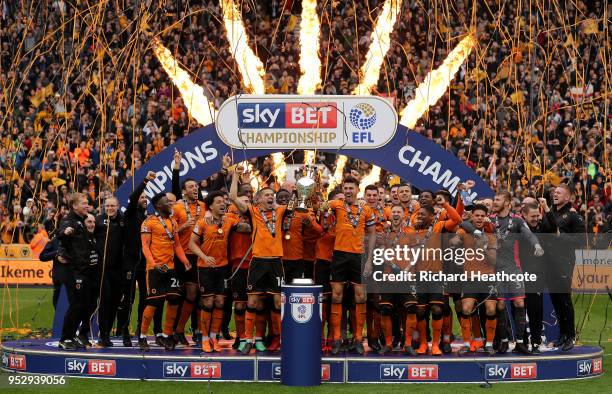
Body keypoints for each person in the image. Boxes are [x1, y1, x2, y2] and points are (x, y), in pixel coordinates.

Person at [229, 163, 286, 354]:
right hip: (258, 261)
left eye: (272, 195)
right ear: (258, 199)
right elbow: (232, 197)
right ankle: (246, 339)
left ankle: (274, 338)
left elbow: (299, 204)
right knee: (252, 302)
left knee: (278, 303)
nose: (271, 197)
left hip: (276, 261)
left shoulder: (280, 211)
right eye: (267, 195)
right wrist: (236, 177)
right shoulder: (252, 212)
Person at [321, 176, 376, 355]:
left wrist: (369, 260)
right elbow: (321, 207)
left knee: (360, 297)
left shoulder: (366, 209)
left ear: (357, 190)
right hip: (339, 255)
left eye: (351, 188)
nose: (348, 191)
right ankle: (336, 338)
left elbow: (372, 235)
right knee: (336, 296)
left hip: (358, 256)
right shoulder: (336, 204)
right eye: (346, 188)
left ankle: (359, 339)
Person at [188, 190, 246, 352]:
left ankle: (214, 337)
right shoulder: (202, 222)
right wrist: (204, 257)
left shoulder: (229, 220)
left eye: (224, 201)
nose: (223, 204)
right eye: (219, 201)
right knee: (207, 302)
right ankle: (205, 339)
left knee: (220, 302)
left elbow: (245, 222)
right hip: (205, 267)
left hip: (223, 267)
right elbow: (192, 244)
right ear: (211, 205)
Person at [490, 191, 544, 354]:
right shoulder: (490, 220)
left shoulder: (518, 221)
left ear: (507, 202)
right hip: (495, 269)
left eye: (497, 199)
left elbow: (529, 235)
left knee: (519, 303)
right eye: (494, 199)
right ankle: (504, 341)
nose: (494, 201)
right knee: (499, 305)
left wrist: (537, 245)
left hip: (514, 268)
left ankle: (520, 343)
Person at [138, 193, 191, 351]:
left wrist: (184, 260)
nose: (171, 205)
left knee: (174, 299)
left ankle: (167, 335)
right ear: (158, 206)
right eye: (168, 202)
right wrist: (154, 264)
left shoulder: (173, 222)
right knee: (154, 302)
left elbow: (177, 245)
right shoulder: (148, 222)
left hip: (171, 268)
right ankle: (142, 336)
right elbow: (145, 246)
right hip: (155, 269)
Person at [412, 197, 461, 356]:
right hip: (419, 277)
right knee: (420, 311)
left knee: (437, 308)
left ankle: (435, 344)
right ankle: (423, 344)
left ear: (432, 217)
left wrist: (445, 204)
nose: (419, 216)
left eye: (423, 214)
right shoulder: (413, 231)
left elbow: (457, 219)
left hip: (436, 276)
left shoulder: (439, 227)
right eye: (418, 214)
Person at [116, 171, 156, 347]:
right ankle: (124, 330)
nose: (144, 199)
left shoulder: (148, 217)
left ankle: (141, 331)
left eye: (146, 197)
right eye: (142, 196)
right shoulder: (130, 214)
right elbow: (132, 198)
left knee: (146, 298)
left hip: (145, 263)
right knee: (129, 299)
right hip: (131, 263)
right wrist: (145, 181)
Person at [452, 204, 498, 356]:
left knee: (491, 310)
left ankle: (489, 344)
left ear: (486, 218)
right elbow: (454, 240)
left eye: (481, 216)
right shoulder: (464, 232)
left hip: (488, 278)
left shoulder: (491, 236)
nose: (479, 218)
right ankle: (466, 343)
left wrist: (483, 246)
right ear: (472, 217)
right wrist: (455, 241)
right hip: (470, 277)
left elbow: (493, 261)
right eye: (476, 215)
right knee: (466, 308)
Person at [55, 194, 99, 350]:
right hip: (74, 271)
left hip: (82, 271)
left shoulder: (80, 221)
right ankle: (65, 338)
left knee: (83, 305)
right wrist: (64, 232)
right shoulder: (70, 221)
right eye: (84, 203)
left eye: (87, 203)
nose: (87, 205)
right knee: (76, 305)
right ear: (74, 206)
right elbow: (60, 234)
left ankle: (73, 335)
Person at [377, 204, 419, 356]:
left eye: (398, 212)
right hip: (389, 277)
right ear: (390, 215)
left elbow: (416, 255)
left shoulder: (411, 232)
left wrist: (407, 269)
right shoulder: (384, 233)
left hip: (407, 277)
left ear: (404, 216)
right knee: (386, 309)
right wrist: (394, 267)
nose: (395, 214)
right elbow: (381, 254)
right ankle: (388, 344)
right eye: (393, 212)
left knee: (411, 308)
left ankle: (407, 344)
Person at [548, 184, 585, 351]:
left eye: (559, 192)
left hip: (565, 262)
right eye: (555, 192)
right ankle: (562, 335)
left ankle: (570, 336)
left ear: (568, 197)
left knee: (564, 300)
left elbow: (581, 242)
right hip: (549, 262)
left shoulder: (573, 216)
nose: (555, 194)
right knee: (556, 300)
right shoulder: (550, 213)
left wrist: (560, 237)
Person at [172, 175, 206, 346]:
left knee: (197, 295)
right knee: (180, 296)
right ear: (184, 191)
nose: (195, 189)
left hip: (199, 255)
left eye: (196, 186)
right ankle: (174, 331)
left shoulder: (203, 206)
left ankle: (194, 331)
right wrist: (182, 227)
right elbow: (168, 232)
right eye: (191, 187)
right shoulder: (177, 207)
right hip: (181, 255)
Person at [520, 200, 557, 354]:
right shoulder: (518, 227)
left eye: (537, 215)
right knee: (520, 311)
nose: (535, 219)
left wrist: (547, 208)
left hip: (536, 276)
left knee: (536, 310)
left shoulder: (543, 227)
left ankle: (535, 343)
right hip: (519, 275)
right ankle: (521, 343)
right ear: (524, 215)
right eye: (532, 216)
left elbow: (554, 227)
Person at [95, 196, 125, 347]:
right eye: (107, 206)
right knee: (104, 302)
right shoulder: (98, 220)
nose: (110, 208)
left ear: (118, 206)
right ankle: (103, 334)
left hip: (119, 269)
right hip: (102, 270)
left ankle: (109, 331)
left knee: (115, 302)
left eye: (113, 205)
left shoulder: (124, 220)